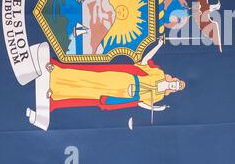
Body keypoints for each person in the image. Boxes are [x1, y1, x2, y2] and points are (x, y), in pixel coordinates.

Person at [45, 36, 186, 113]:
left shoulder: (159, 96)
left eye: (177, 87)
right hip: (124, 79)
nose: (175, 85)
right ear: (174, 78)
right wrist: (158, 45)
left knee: (91, 93)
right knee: (91, 78)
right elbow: (144, 61)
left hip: (124, 95)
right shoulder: (158, 74)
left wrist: (156, 108)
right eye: (177, 83)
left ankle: (56, 92)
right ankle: (57, 72)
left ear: (173, 90)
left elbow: (142, 103)